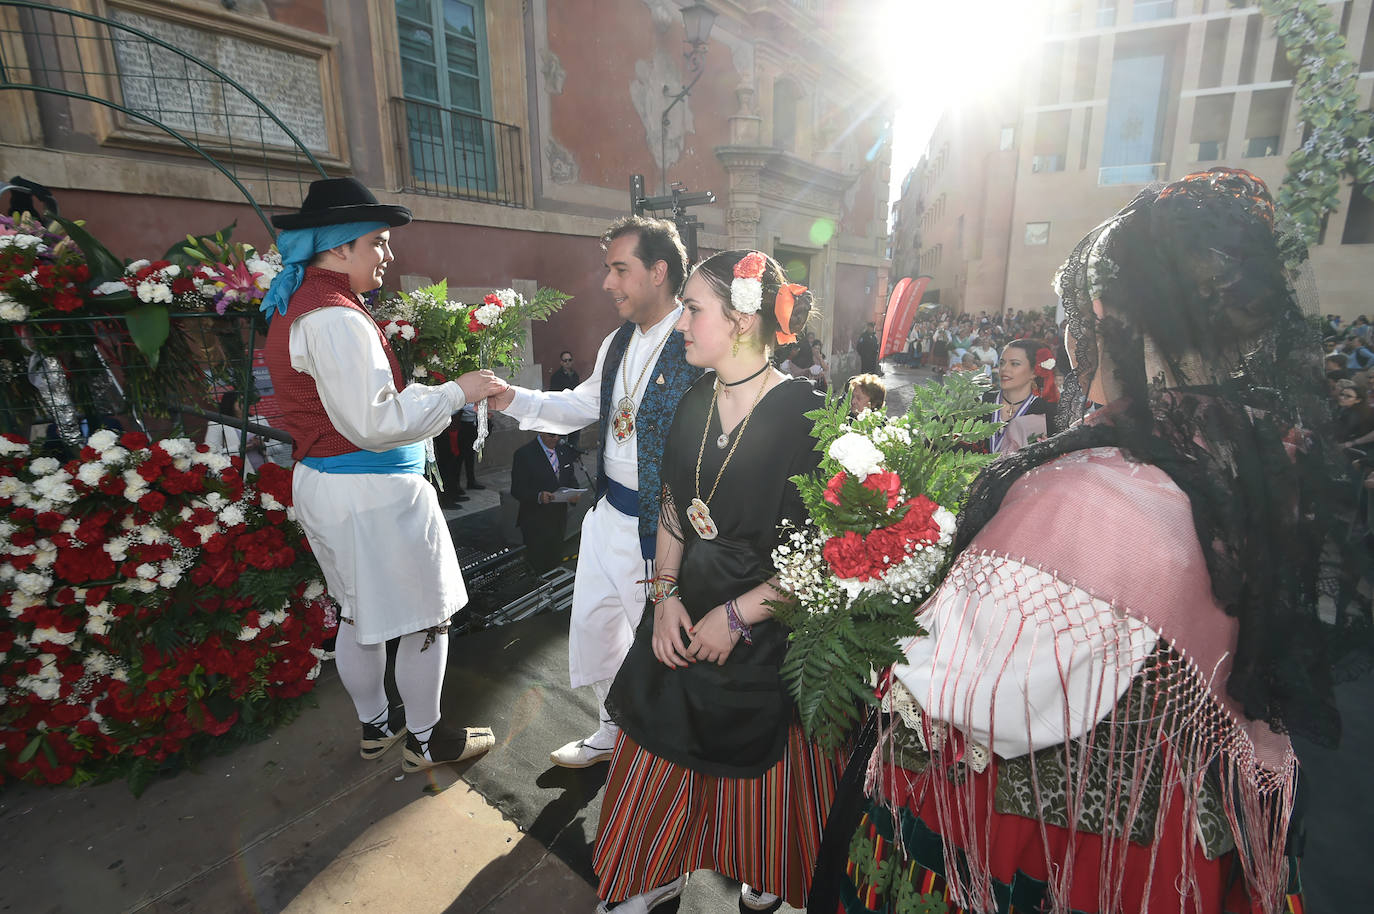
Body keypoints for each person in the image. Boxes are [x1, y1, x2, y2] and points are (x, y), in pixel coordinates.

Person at [812, 169, 1337, 914]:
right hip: (1187, 828)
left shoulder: (1087, 492)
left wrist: (875, 592)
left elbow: (962, 690)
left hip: (1059, 838)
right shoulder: (1255, 451)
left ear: (1099, 312)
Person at [594, 250, 840, 914]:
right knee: (657, 747)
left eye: (694, 310)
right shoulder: (693, 400)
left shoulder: (809, 416)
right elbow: (675, 505)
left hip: (767, 627)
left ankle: (761, 873)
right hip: (683, 606)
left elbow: (826, 552)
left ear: (739, 319)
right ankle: (656, 872)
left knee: (760, 780)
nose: (681, 325)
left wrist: (737, 618)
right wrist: (665, 593)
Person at [260, 177, 501, 772]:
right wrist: (456, 390)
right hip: (370, 492)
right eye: (377, 242)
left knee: (359, 615)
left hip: (328, 482)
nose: (386, 255)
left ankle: (378, 727)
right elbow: (373, 421)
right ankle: (427, 740)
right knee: (424, 618)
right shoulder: (335, 316)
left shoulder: (301, 302)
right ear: (339, 246)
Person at [488, 216, 702, 768]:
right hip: (608, 513)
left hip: (665, 528)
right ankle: (611, 731)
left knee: (657, 640)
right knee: (593, 626)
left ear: (659, 272)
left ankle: (665, 758)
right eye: (608, 269)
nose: (607, 283)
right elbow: (583, 405)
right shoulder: (617, 341)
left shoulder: (696, 340)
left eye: (619, 269)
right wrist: (514, 399)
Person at [510, 429, 581, 573]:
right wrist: (538, 496)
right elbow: (517, 489)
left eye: (558, 435)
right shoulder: (524, 454)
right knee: (538, 562)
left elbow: (570, 479)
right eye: (551, 435)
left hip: (558, 519)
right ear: (540, 432)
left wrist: (574, 493)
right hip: (535, 520)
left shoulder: (564, 451)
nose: (555, 438)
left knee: (554, 559)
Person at [982, 339, 1057, 454]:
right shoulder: (982, 403)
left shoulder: (1046, 412)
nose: (1004, 369)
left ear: (1034, 372)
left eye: (1015, 364)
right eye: (1002, 363)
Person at [203, 390, 266, 471]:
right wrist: (239, 449)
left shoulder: (260, 419)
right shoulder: (217, 424)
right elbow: (211, 452)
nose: (247, 404)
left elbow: (278, 446)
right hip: (237, 474)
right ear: (230, 403)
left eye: (248, 401)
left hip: (266, 472)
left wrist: (263, 445)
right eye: (242, 401)